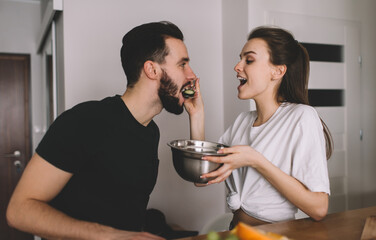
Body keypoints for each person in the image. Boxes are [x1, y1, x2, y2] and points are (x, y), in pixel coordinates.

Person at [6, 21, 204, 240]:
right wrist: (110, 235)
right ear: (152, 69)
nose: (192, 75)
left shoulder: (150, 131)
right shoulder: (85, 120)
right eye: (182, 64)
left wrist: (196, 115)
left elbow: (201, 176)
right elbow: (19, 211)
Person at [199, 26, 333, 227]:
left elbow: (319, 208)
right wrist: (196, 113)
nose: (237, 66)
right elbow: (202, 174)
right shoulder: (242, 121)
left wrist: (256, 160)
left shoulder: (302, 117)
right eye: (240, 59)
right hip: (236, 231)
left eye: (249, 60)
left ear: (277, 71)